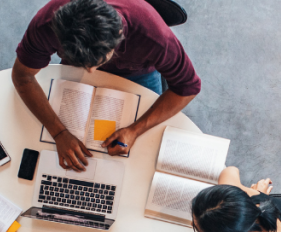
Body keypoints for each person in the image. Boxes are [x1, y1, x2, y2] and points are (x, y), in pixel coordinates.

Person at [12, 0, 201, 170]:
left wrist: (135, 129)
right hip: (73, 70)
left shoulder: (154, 36)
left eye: (98, 62)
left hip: (138, 74)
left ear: (120, 35)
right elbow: (22, 77)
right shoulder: (46, 23)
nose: (91, 72)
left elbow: (188, 87)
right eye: (84, 64)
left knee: (142, 153)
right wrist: (59, 133)